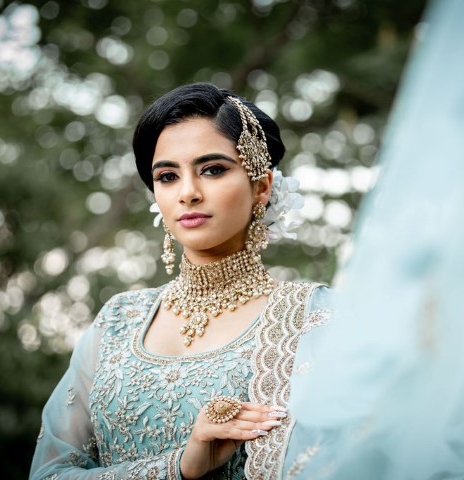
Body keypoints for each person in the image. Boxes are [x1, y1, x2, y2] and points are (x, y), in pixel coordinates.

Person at [29, 82, 332, 480]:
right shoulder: (117, 320)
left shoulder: (313, 319)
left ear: (261, 187)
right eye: (168, 176)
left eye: (213, 170)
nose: (187, 193)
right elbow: (49, 473)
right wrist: (180, 467)